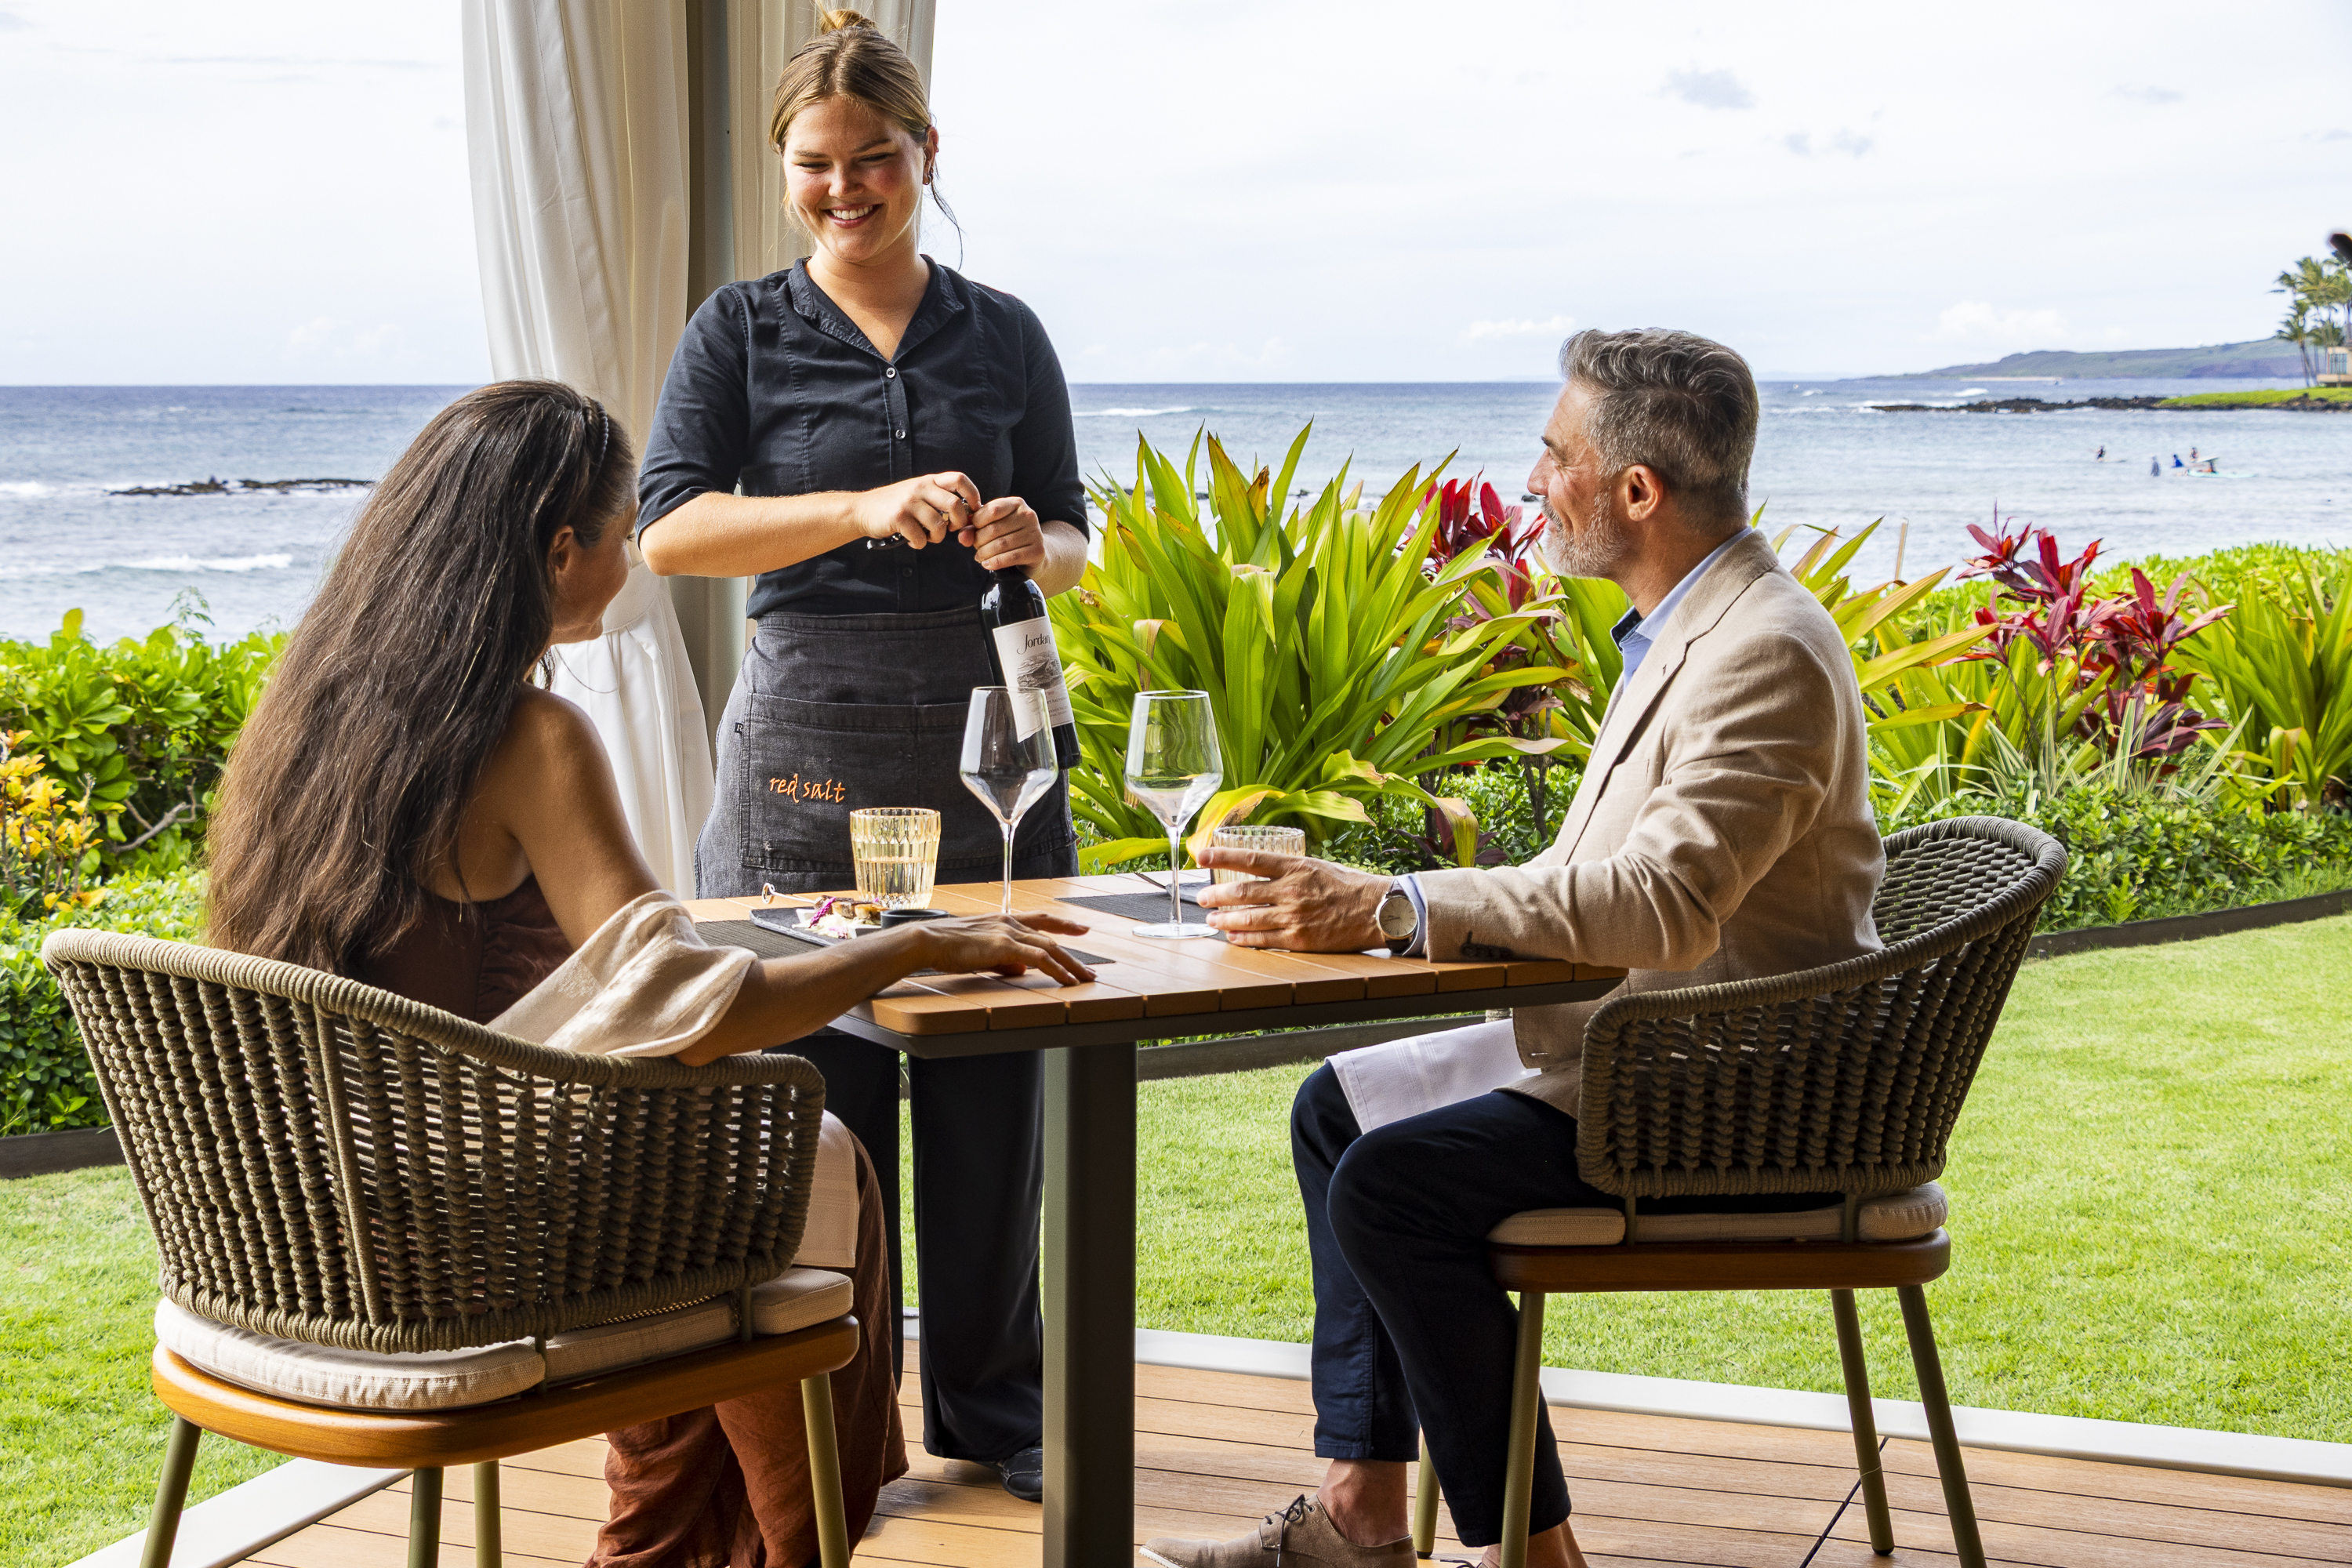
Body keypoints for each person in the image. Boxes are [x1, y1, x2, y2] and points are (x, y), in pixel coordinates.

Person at [204, 380, 1096, 1566]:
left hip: (303, 1239)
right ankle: (771, 1545)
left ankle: (665, 1542)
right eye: (625, 538)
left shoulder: (309, 714)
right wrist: (920, 941)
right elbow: (695, 1012)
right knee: (805, 1149)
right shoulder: (530, 739)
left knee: (717, 1168)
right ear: (562, 550)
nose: (631, 563)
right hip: (456, 1264)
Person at [1142, 329, 1883, 1568]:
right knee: (1337, 1113)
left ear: (1635, 491)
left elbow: (1662, 907)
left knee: (1394, 1185)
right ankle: (1362, 1517)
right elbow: (1590, 884)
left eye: (1555, 454)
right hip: (1656, 1048)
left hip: (1733, 1094)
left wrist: (1393, 906)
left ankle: (1532, 1556)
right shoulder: (1683, 629)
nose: (1534, 481)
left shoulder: (1763, 650)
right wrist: (1390, 907)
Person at [633, 9, 1087, 1504]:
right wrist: (855, 505)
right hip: (808, 748)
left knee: (995, 1080)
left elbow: (1074, 530)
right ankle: (846, 1426)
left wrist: (1038, 540)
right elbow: (672, 528)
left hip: (990, 737)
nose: (846, 190)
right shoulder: (738, 329)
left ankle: (996, 1409)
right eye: (816, 166)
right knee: (818, 1098)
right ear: (787, 169)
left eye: (873, 161)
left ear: (925, 156)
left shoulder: (1005, 329)